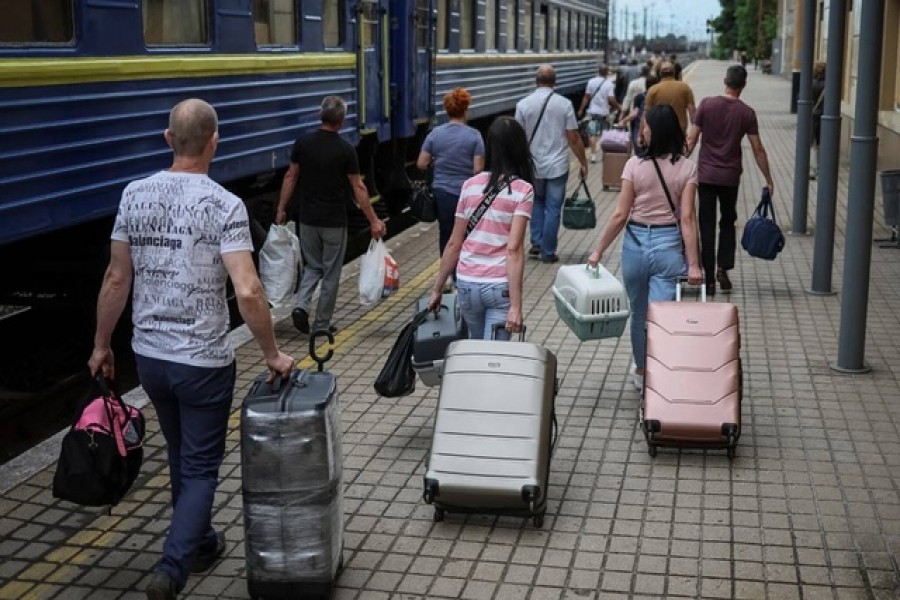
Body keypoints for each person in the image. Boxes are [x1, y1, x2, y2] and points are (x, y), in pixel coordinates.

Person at [86, 99, 296, 600]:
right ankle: (172, 569)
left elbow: (117, 277)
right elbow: (247, 290)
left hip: (151, 359)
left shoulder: (133, 195)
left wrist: (100, 344)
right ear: (214, 142)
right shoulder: (224, 204)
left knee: (182, 455)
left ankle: (199, 542)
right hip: (202, 362)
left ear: (167, 139)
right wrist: (272, 354)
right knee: (201, 467)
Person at [586, 104, 702, 390]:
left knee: (638, 315)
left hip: (635, 245)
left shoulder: (633, 166)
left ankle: (641, 370)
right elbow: (687, 218)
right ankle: (661, 372)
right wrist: (695, 264)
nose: (641, 130)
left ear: (656, 131)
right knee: (662, 316)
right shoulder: (687, 168)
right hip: (668, 247)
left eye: (646, 126)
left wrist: (598, 250)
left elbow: (619, 215)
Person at [276, 95, 387, 334]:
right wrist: (373, 220)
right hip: (334, 222)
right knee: (331, 273)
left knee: (312, 266)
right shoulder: (346, 150)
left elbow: (290, 176)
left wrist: (281, 208)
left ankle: (301, 306)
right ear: (342, 121)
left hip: (307, 219)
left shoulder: (303, 143)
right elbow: (358, 187)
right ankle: (322, 324)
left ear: (320, 115)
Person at [426, 116, 534, 339]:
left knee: (475, 352)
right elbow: (513, 250)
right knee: (492, 360)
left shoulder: (469, 185)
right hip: (498, 286)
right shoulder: (523, 191)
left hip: (466, 283)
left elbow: (454, 243)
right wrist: (515, 305)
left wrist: (437, 289)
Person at [686, 65, 775, 295]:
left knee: (706, 224)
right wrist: (768, 179)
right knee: (727, 222)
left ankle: (709, 279)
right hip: (730, 177)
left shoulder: (706, 104)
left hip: (705, 176)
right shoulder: (747, 113)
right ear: (743, 85)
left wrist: (675, 163)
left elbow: (691, 139)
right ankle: (723, 267)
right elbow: (758, 149)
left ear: (724, 80)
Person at [516, 65, 589, 264]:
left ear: (536, 81)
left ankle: (537, 242)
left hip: (532, 166)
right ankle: (548, 252)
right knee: (553, 208)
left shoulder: (523, 105)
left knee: (537, 204)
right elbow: (573, 137)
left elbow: (518, 137)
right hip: (557, 166)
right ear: (554, 81)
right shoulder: (564, 104)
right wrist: (583, 162)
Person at [416, 87, 485, 256]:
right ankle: (459, 274)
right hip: (467, 194)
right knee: (465, 234)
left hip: (442, 192)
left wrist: (438, 160)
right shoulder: (475, 136)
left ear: (447, 110)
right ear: (465, 109)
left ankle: (446, 272)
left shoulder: (435, 134)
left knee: (446, 234)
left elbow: (421, 164)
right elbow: (478, 169)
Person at [577, 64, 620, 164]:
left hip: (592, 113)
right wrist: (617, 107)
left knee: (592, 134)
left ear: (598, 71)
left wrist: (580, 109)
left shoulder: (591, 82)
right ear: (606, 72)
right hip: (604, 114)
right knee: (605, 134)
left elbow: (586, 97)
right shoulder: (609, 84)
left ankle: (593, 155)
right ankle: (604, 155)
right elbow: (611, 99)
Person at [645, 61, 696, 134]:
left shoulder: (653, 90)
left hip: (659, 131)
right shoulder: (684, 88)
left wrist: (643, 134)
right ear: (674, 72)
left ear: (660, 74)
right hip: (679, 130)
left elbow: (647, 114)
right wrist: (694, 132)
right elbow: (692, 111)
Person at [617, 74, 659, 154]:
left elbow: (635, 113)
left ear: (646, 84)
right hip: (655, 131)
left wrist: (623, 121)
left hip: (640, 131)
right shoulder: (660, 98)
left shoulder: (640, 97)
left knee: (641, 156)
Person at [810, 61, 826, 180]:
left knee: (813, 145)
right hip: (825, 118)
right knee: (822, 144)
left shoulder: (811, 84)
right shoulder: (828, 85)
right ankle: (821, 169)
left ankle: (812, 169)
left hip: (812, 117)